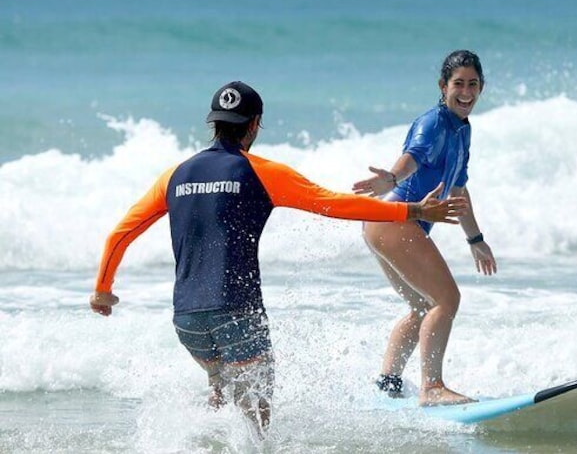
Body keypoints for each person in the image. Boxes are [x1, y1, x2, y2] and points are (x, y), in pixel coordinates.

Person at [89, 80, 467, 434]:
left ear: (213, 124)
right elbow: (332, 204)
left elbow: (121, 233)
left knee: (221, 395)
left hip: (186, 319)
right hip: (236, 311)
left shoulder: (174, 174)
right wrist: (412, 211)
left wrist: (102, 290)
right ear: (254, 125)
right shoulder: (261, 172)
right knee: (256, 424)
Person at [352, 50, 497, 407]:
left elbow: (459, 189)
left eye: (472, 84)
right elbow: (412, 156)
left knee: (422, 307)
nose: (465, 92)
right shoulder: (433, 122)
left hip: (382, 224)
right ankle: (431, 387)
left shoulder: (462, 129)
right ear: (442, 86)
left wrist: (475, 239)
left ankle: (387, 382)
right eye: (458, 84)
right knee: (447, 300)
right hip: (396, 219)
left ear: (481, 87)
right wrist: (391, 177)